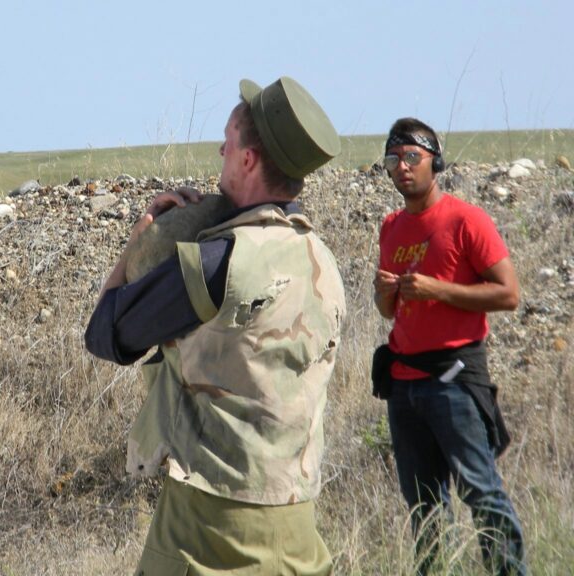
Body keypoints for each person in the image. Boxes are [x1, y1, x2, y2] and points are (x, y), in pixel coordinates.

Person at [86, 76, 345, 575]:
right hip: (297, 530)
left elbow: (105, 334)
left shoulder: (217, 262)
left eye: (228, 140)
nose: (220, 150)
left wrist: (142, 240)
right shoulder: (323, 260)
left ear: (247, 160)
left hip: (206, 531)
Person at [373, 118, 526, 575]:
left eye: (412, 157)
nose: (402, 167)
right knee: (424, 508)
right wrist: (384, 294)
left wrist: (437, 289)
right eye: (393, 160)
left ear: (435, 162)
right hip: (403, 385)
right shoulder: (391, 227)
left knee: (482, 495)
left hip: (454, 381)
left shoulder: (466, 220)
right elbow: (389, 311)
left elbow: (509, 294)